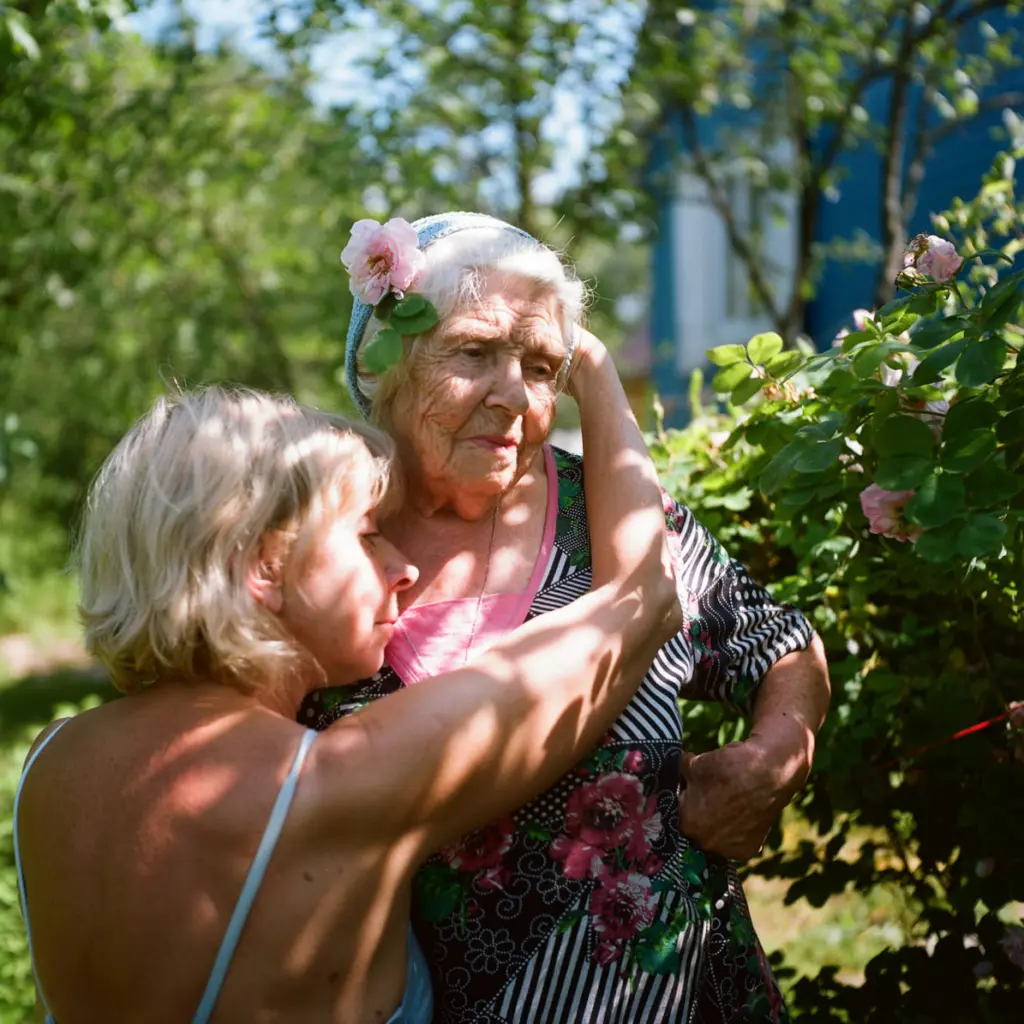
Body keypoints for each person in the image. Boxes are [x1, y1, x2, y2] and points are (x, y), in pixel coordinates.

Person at [13, 366, 680, 1022]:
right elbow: (644, 602)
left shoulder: (51, 762)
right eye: (366, 534)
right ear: (265, 567)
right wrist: (587, 366)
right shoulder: (333, 785)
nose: (404, 567)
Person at [302, 211, 831, 1023]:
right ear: (387, 365)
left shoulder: (611, 515)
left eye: (545, 366)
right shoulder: (327, 538)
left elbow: (780, 642)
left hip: (679, 997)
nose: (513, 394)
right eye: (474, 352)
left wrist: (772, 759)